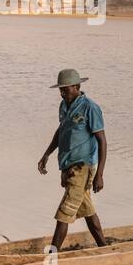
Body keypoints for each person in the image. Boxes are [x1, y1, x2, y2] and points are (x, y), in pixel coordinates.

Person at [37, 68, 108, 252]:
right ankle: (104, 249)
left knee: (64, 213)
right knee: (88, 211)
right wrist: (47, 154)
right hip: (68, 167)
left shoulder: (90, 108)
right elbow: (61, 131)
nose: (62, 93)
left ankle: (52, 256)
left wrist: (99, 174)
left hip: (83, 168)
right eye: (60, 90)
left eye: (66, 89)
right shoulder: (64, 105)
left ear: (77, 87)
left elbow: (102, 141)